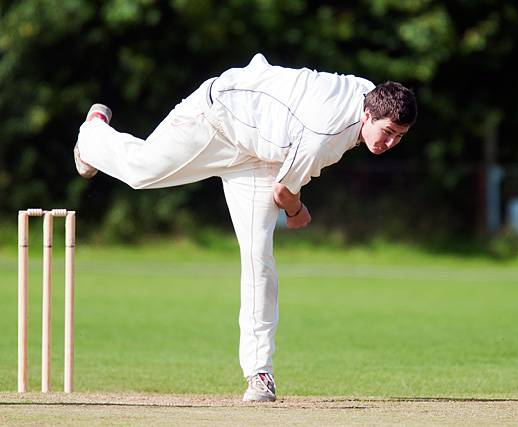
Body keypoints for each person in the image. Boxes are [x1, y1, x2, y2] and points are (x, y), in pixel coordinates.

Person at [74, 53, 417, 402]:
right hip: (219, 118)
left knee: (259, 259)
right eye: (387, 132)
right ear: (367, 114)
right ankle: (92, 133)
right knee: (141, 171)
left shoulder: (373, 94)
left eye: (399, 137)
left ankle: (259, 374)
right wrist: (296, 212)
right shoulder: (324, 136)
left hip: (260, 155)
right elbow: (285, 192)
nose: (389, 143)